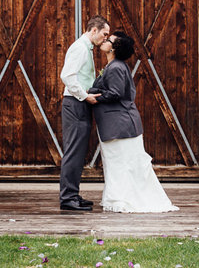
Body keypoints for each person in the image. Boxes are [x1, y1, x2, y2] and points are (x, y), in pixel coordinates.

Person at [88, 31, 177, 213]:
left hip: (121, 126)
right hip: (117, 125)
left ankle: (125, 200)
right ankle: (118, 198)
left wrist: (94, 98)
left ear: (114, 47)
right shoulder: (116, 66)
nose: (105, 40)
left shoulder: (116, 68)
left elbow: (116, 92)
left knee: (123, 164)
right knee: (119, 164)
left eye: (109, 39)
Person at [59, 15, 110, 211]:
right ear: (94, 30)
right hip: (75, 104)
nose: (105, 39)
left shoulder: (85, 48)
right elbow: (67, 75)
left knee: (79, 152)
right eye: (104, 34)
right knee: (73, 152)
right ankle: (68, 198)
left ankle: (73, 194)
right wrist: (84, 96)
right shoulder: (80, 48)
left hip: (80, 103)